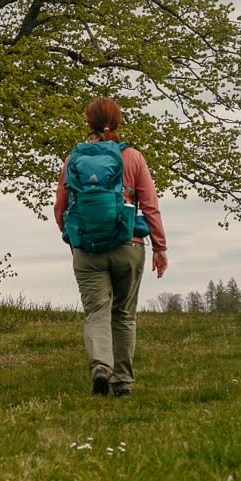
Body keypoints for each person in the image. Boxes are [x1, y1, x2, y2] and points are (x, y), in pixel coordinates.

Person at [54, 97, 168, 397]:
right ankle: (123, 382)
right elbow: (151, 206)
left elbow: (60, 207)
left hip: (88, 248)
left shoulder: (73, 160)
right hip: (128, 244)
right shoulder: (133, 157)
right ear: (117, 121)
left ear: (87, 122)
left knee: (96, 313)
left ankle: (100, 368)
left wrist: (73, 236)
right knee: (124, 314)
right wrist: (160, 247)